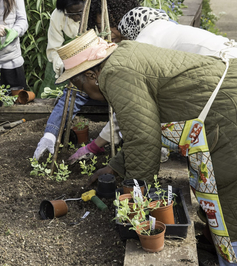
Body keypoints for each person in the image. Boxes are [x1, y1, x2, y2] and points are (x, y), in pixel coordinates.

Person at [59, 29, 237, 265]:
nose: (85, 94)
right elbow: (142, 127)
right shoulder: (122, 56)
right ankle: (216, 242)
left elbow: (143, 139)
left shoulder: (115, 73)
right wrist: (115, 167)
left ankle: (231, 255)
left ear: (92, 75)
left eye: (81, 87)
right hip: (222, 105)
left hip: (226, 115)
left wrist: (134, 198)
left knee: (226, 189)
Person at [68, 6, 237, 163]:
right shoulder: (165, 28)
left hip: (224, 78)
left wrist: (97, 144)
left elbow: (130, 109)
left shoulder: (142, 45)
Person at [33, 0, 141, 160]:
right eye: (71, 14)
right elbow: (69, 98)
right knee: (71, 95)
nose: (77, 17)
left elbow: (125, 114)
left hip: (106, 76)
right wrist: (50, 133)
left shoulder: (129, 55)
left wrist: (95, 145)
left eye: (112, 25)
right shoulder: (60, 19)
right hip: (79, 65)